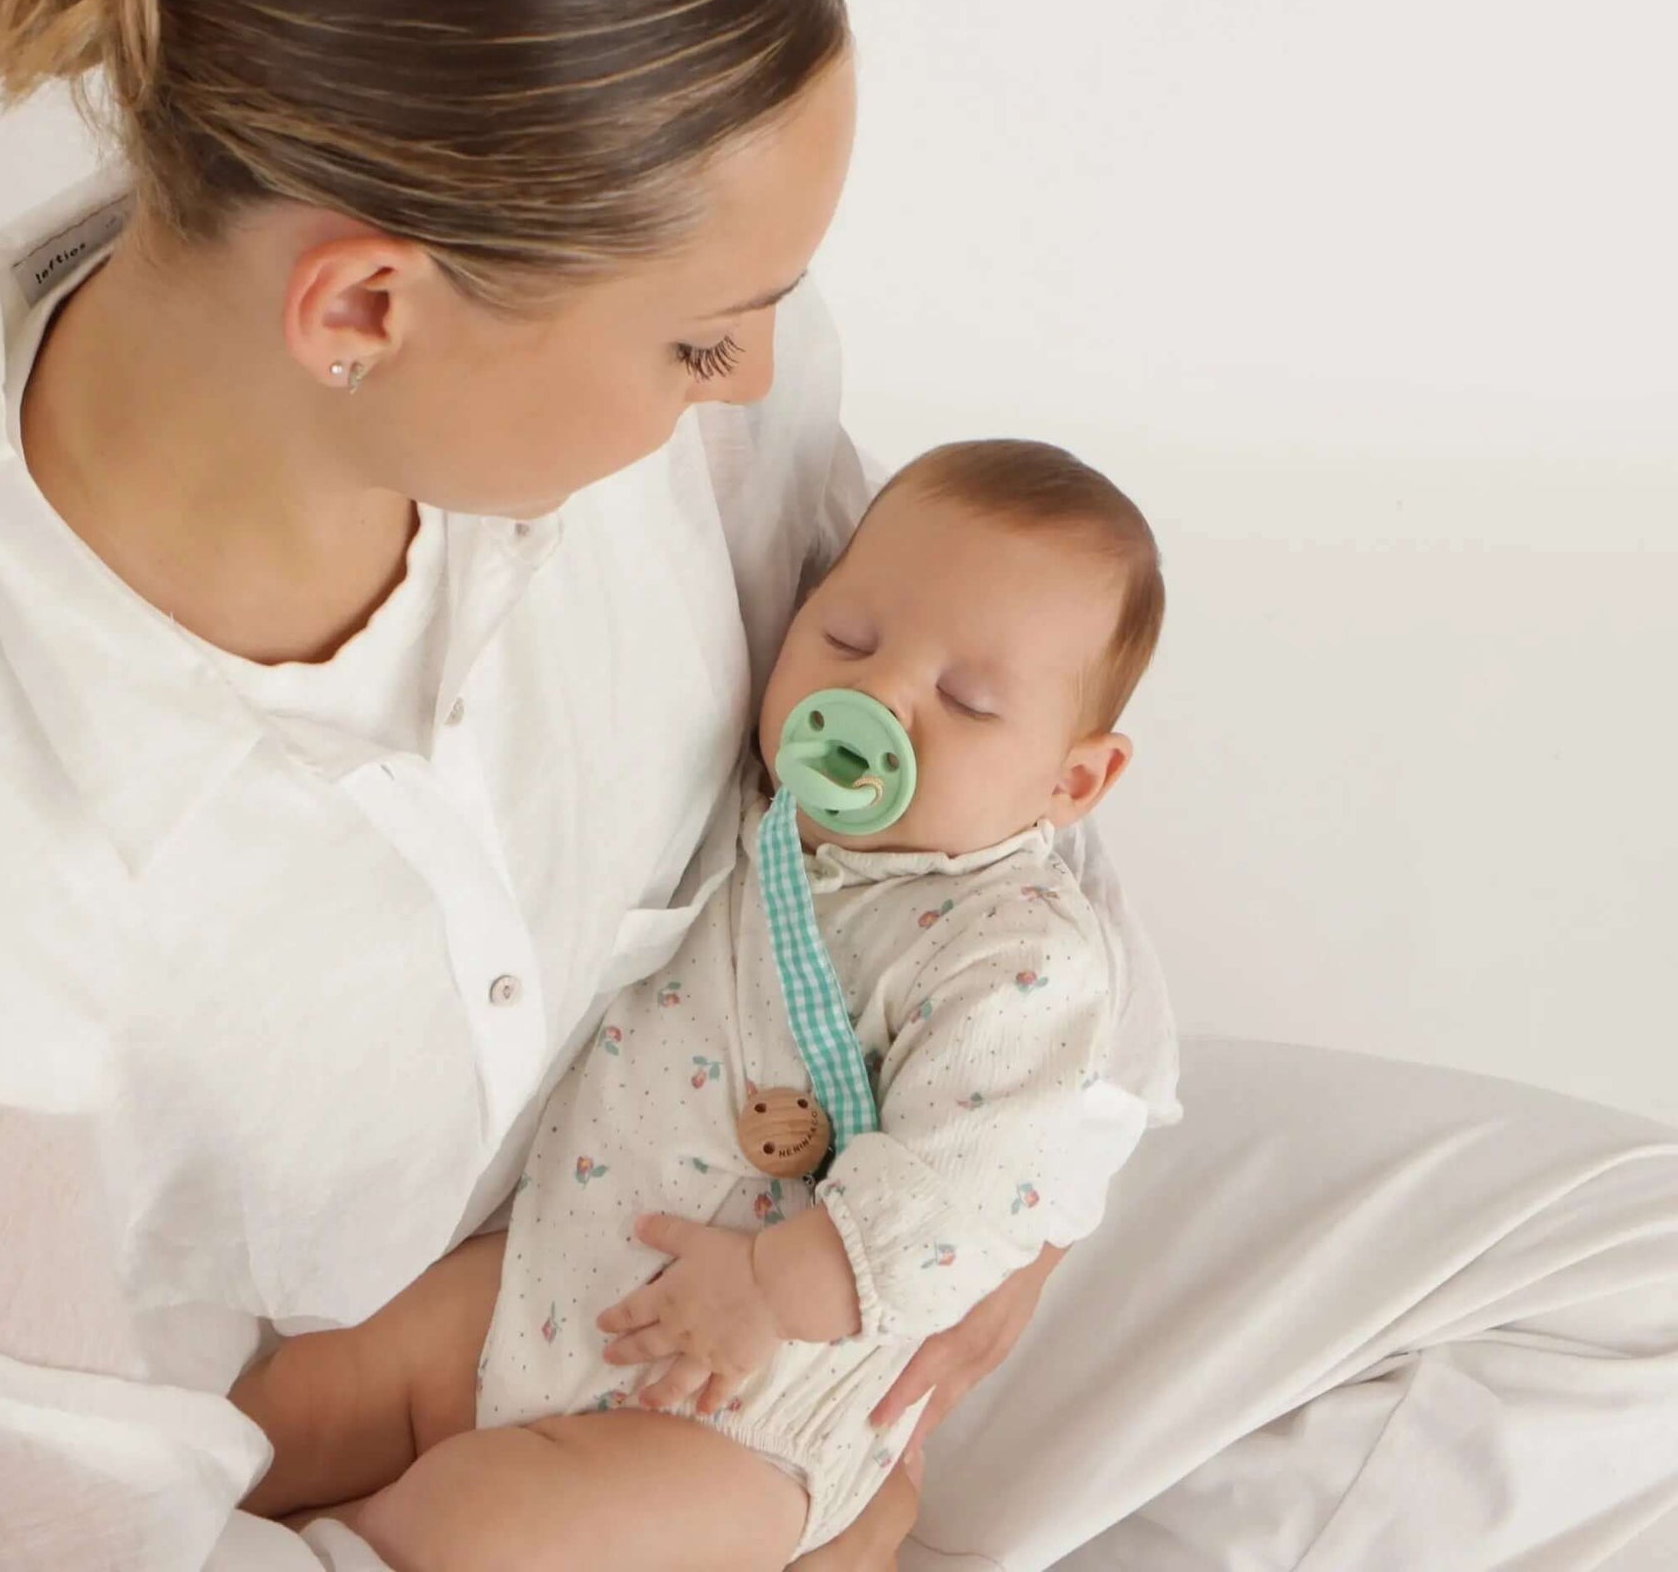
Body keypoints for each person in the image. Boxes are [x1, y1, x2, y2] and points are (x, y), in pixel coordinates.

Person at [0, 0, 1672, 1569]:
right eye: (696, 336)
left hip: (830, 1211)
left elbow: (961, 744)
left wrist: (1020, 1189)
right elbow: (33, 1542)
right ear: (368, 304)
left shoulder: (641, 422)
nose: (750, 376)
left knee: (1644, 1291)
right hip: (413, 1467)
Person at [229, 441, 1177, 1568]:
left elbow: (972, 1183)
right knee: (290, 1403)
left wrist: (775, 1289)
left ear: (1072, 780)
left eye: (967, 702)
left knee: (475, 1529)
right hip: (553, 1272)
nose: (874, 696)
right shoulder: (750, 810)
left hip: (739, 1406)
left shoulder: (1018, 952)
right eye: (847, 639)